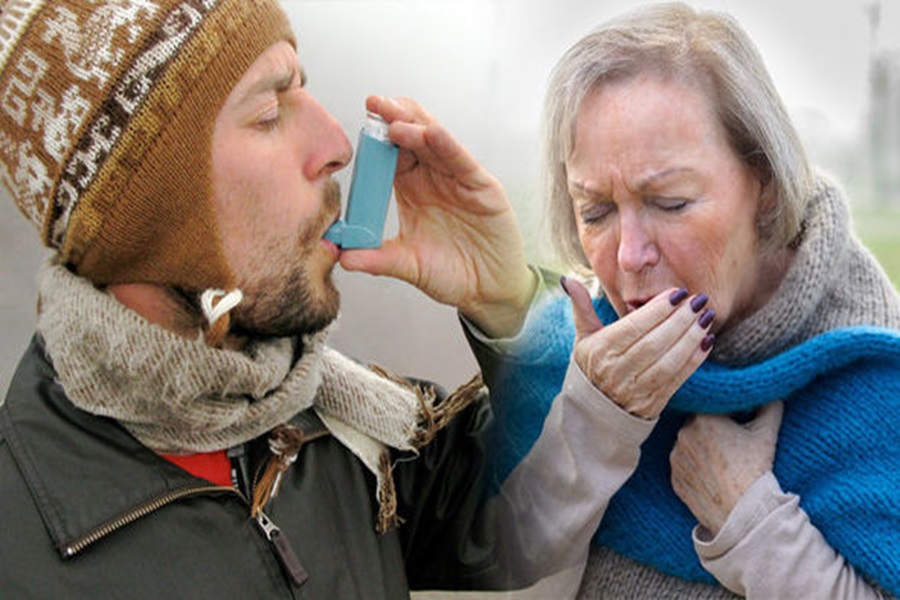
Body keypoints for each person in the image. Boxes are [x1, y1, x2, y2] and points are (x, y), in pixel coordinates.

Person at [0, 0, 595, 597]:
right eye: (268, 114)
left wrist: (510, 304)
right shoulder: (20, 550)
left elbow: (535, 513)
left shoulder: (344, 423)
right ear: (152, 218)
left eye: (302, 89)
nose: (338, 144)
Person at [468, 2, 900, 598]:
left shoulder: (876, 383)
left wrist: (755, 526)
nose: (628, 255)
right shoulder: (576, 348)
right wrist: (596, 419)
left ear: (765, 185)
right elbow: (485, 557)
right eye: (595, 211)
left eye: (669, 203)